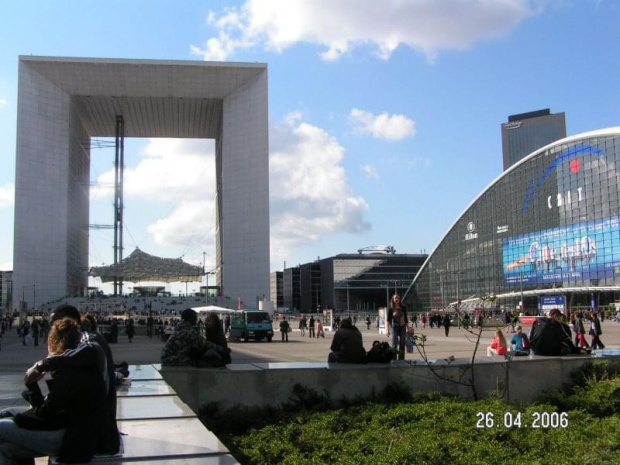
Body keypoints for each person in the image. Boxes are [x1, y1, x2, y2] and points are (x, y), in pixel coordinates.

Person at [0, 317, 107, 464]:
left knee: (2, 427)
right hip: (79, 433)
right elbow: (50, 410)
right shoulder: (81, 364)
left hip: (69, 439)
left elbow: (44, 415)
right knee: (6, 448)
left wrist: (31, 384)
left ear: (55, 343)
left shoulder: (69, 372)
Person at [22, 304, 120, 456]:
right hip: (84, 425)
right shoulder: (75, 357)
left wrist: (42, 364)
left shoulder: (88, 344)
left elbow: (91, 351)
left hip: (86, 433)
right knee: (8, 443)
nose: (51, 330)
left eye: (53, 325)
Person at [161, 309, 230, 367]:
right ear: (190, 318)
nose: (196, 319)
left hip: (168, 357)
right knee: (203, 362)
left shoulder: (181, 327)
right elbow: (204, 343)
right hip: (171, 359)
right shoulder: (188, 331)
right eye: (195, 317)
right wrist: (222, 349)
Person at [387, 294, 408, 360]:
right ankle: (394, 359)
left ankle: (401, 359)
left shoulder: (403, 307)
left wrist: (408, 327)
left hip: (402, 327)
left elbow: (405, 318)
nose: (396, 299)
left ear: (399, 299)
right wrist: (387, 330)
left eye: (398, 298)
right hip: (394, 327)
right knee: (394, 344)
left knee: (402, 344)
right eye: (395, 298)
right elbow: (388, 320)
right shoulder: (391, 309)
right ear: (393, 300)